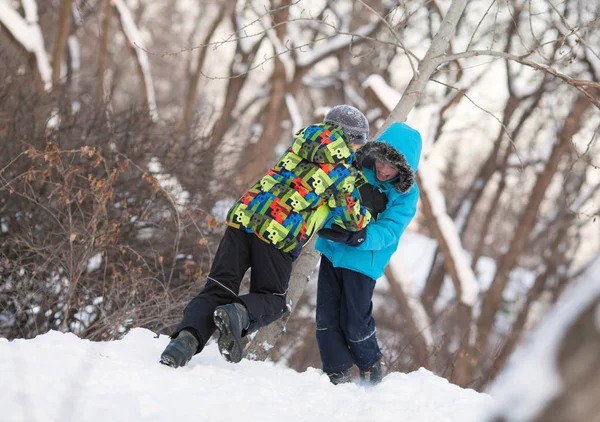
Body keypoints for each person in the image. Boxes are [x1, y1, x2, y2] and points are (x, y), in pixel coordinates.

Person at [160, 105, 374, 368]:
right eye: (358, 145)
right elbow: (352, 219)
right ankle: (237, 313)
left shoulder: (300, 144)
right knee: (272, 300)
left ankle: (181, 345)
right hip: (279, 231)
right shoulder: (342, 170)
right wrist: (367, 215)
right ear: (351, 140)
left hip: (244, 217)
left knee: (218, 288)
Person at [314, 121, 422, 385]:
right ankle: (336, 372)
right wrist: (329, 227)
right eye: (381, 161)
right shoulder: (356, 169)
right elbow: (332, 198)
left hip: (364, 260)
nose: (383, 170)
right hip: (332, 250)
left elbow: (390, 229)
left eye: (392, 167)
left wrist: (361, 236)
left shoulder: (405, 194)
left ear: (403, 170)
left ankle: (370, 368)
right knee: (326, 317)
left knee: (354, 321)